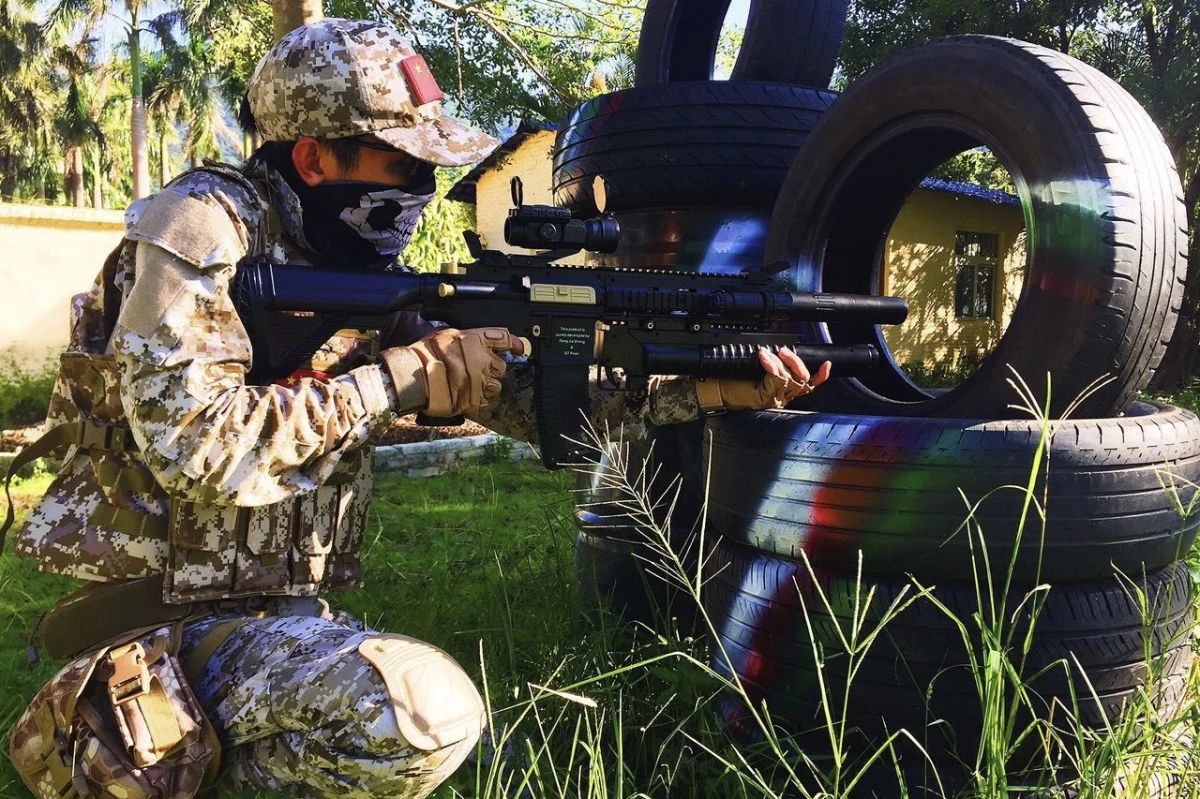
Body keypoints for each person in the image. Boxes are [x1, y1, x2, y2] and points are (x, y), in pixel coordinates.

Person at [5, 18, 830, 799]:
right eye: (402, 163)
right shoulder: (203, 229)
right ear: (314, 158)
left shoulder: (367, 272)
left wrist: (715, 385)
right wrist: (400, 377)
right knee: (424, 712)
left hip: (275, 624)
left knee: (440, 720)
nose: (423, 188)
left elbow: (554, 416)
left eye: (430, 168)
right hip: (150, 638)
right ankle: (115, 747)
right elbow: (197, 445)